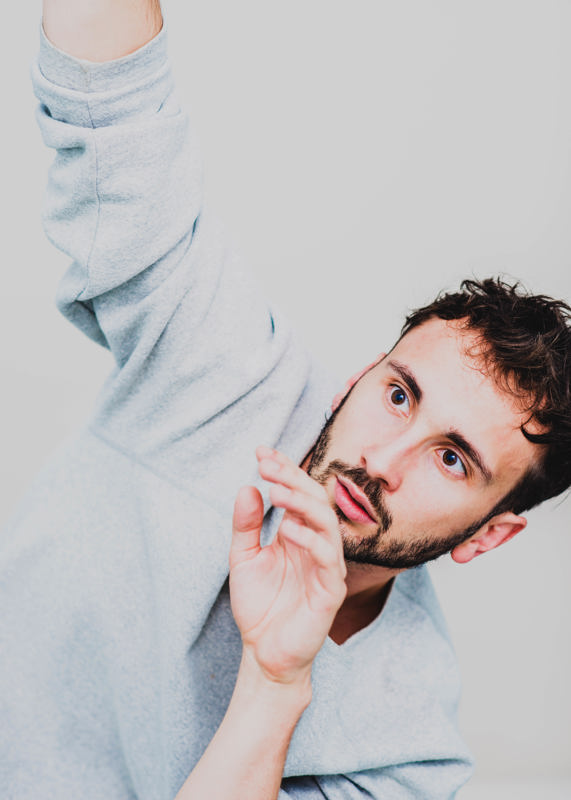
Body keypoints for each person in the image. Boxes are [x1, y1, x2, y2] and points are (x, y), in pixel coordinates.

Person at [1, 1, 570, 798]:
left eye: (451, 459)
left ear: (489, 534)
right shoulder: (221, 372)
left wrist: (274, 682)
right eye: (398, 395)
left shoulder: (407, 752)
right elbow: (117, 124)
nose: (381, 461)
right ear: (358, 377)